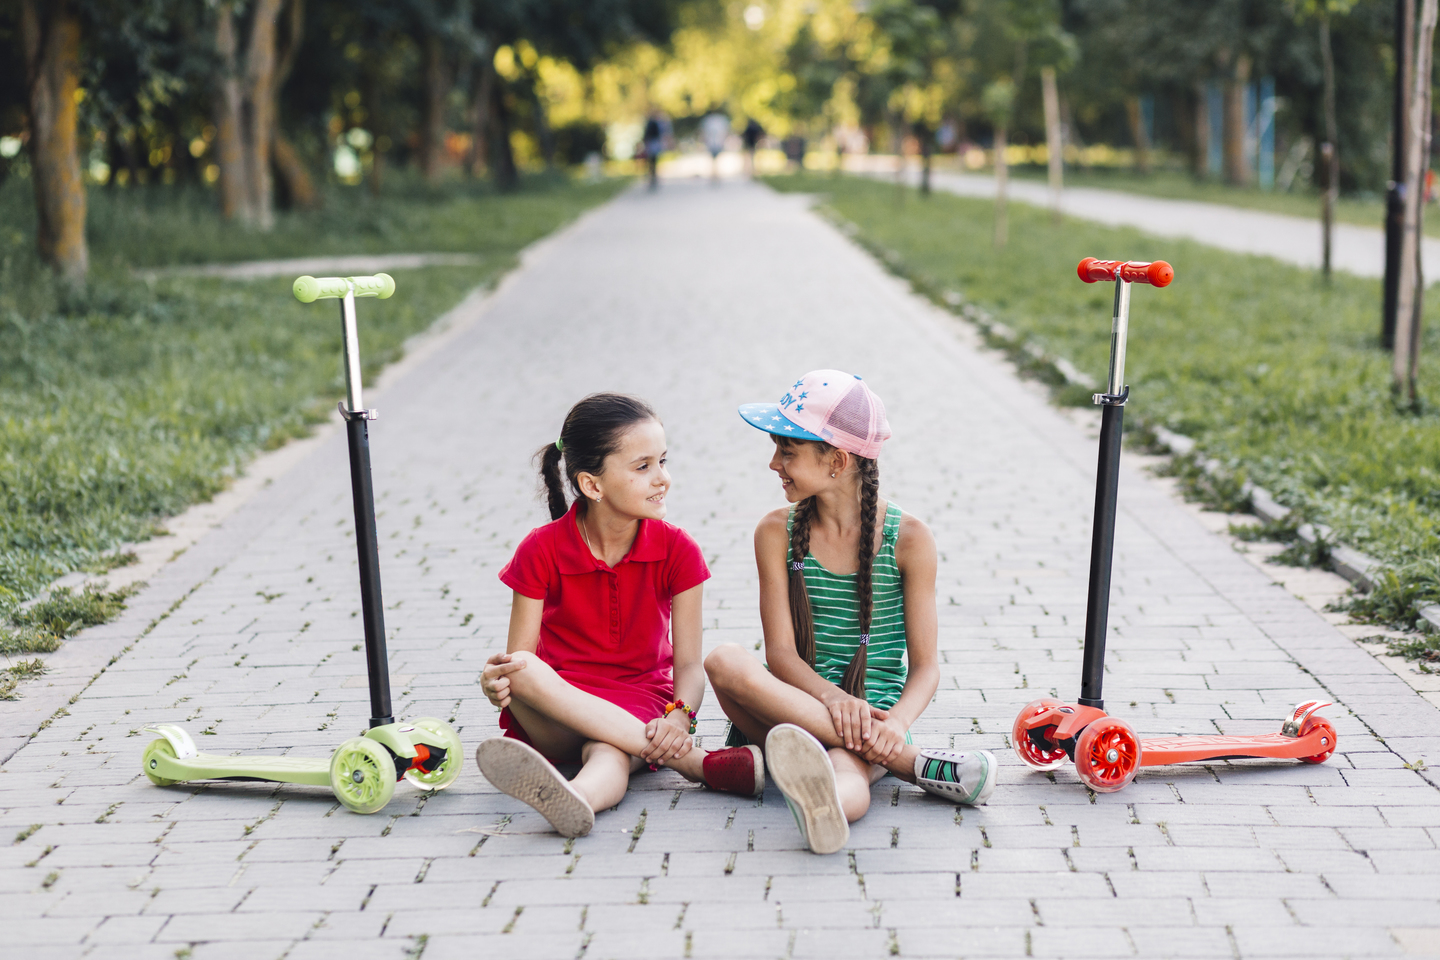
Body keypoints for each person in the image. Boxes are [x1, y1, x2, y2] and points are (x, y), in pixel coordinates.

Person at [705, 371, 997, 855]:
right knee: (723, 660)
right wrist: (836, 702)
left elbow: (926, 668)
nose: (773, 463)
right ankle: (912, 764)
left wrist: (894, 725)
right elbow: (779, 654)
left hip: (875, 718)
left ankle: (824, 810)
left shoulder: (910, 540)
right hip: (791, 706)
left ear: (837, 461)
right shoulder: (774, 532)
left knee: (846, 769)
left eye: (788, 451)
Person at [475, 393, 763, 838]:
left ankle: (575, 799)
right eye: (643, 466)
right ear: (593, 485)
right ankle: (697, 765)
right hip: (556, 709)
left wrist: (679, 717)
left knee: (608, 750)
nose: (662, 478)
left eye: (663, 461)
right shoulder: (541, 548)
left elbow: (687, 665)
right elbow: (519, 659)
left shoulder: (678, 550)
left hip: (640, 706)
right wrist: (496, 683)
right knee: (525, 667)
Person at [701, 110, 730, 183]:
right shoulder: (712, 120)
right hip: (712, 142)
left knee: (715, 159)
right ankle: (714, 174)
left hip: (716, 142)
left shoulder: (712, 120)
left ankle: (715, 174)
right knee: (713, 159)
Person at [642, 113, 665, 190]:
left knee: (651, 162)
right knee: (653, 162)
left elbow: (647, 135)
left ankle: (652, 177)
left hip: (652, 144)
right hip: (654, 144)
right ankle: (653, 177)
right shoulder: (655, 124)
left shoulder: (651, 124)